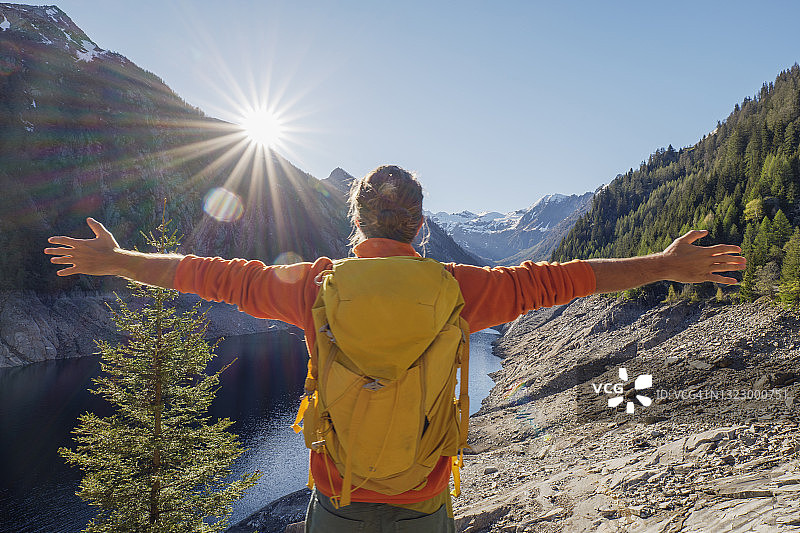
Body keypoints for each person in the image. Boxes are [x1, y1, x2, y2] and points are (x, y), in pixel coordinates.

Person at [44, 164, 746, 532]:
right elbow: (563, 280)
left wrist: (118, 262)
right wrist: (662, 263)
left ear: (357, 222)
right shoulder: (459, 288)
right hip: (423, 502)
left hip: (336, 500)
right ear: (420, 226)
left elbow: (208, 276)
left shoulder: (314, 286)